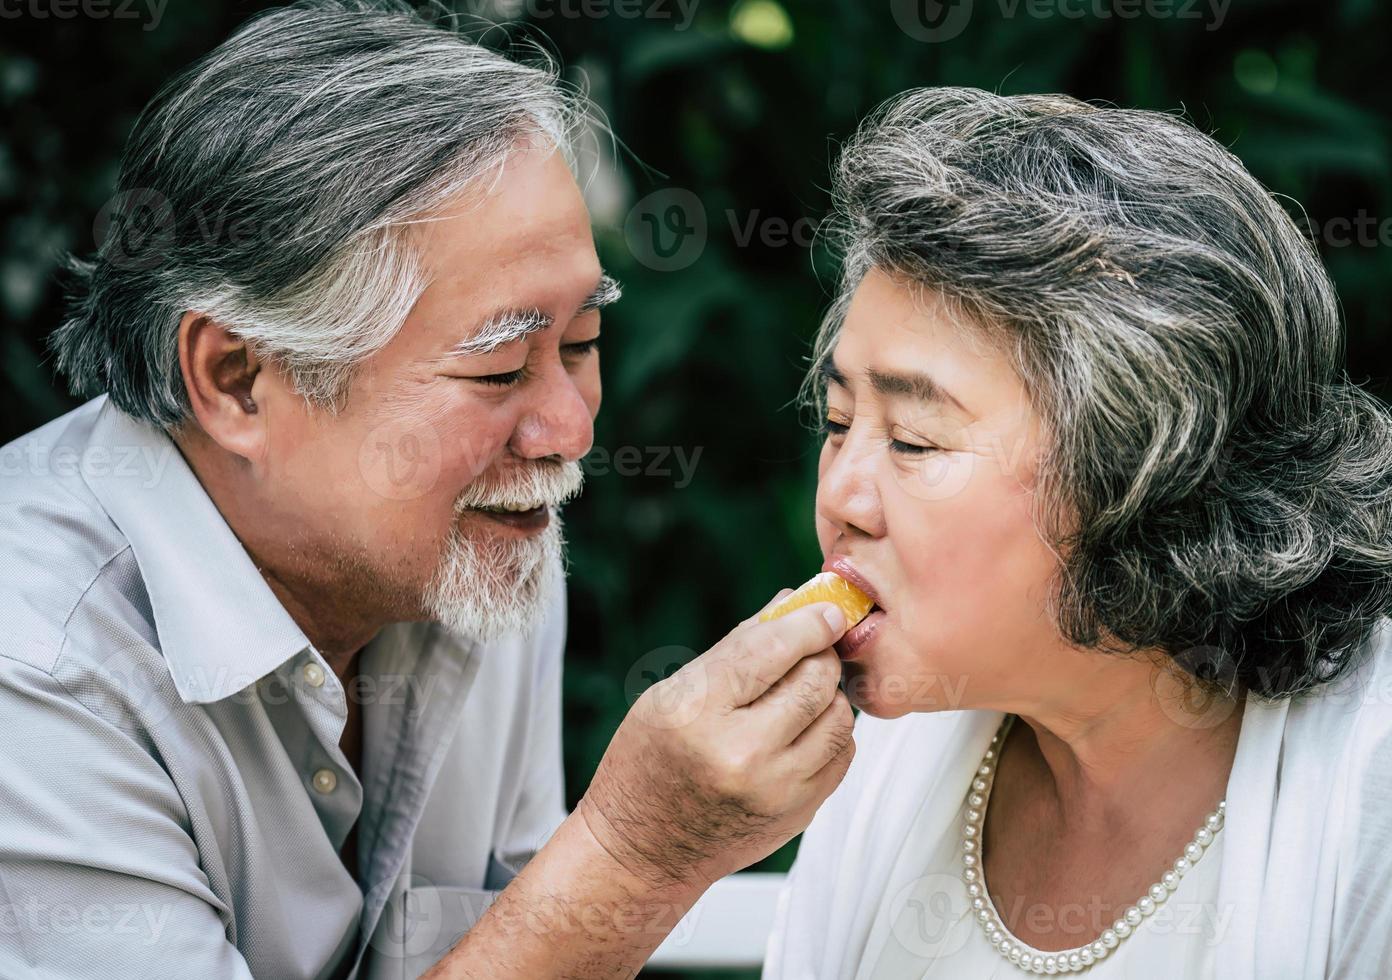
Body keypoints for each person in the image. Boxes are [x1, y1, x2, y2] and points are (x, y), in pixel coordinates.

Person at [0, 4, 856, 978]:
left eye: (581, 346)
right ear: (237, 378)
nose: (570, 429)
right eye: (498, 371)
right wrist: (631, 855)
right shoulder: (31, 670)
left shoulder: (476, 548)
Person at [763, 87, 1392, 979]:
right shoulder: (873, 764)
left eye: (913, 440)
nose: (842, 497)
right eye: (836, 422)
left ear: (1142, 472)